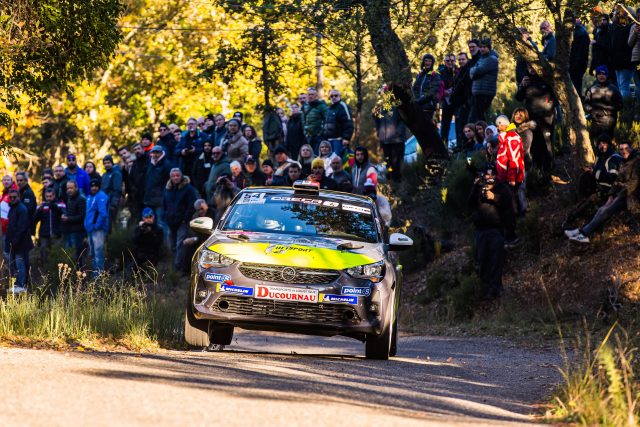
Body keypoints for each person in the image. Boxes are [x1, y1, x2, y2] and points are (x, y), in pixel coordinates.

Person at [565, 141, 639, 243]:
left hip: (632, 196)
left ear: (631, 148)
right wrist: (611, 195)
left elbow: (633, 184)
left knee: (606, 210)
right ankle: (582, 231)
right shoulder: (623, 162)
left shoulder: (637, 162)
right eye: (621, 149)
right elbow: (617, 180)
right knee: (602, 208)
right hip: (622, 193)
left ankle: (585, 234)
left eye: (626, 148)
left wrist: (617, 196)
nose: (624, 151)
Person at [468, 166, 512, 298]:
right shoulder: (479, 187)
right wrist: (476, 187)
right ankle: (486, 288)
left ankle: (496, 288)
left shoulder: (502, 189)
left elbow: (508, 205)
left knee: (496, 260)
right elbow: (470, 203)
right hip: (481, 231)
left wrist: (494, 197)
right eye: (487, 175)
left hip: (496, 230)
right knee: (483, 260)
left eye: (492, 175)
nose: (490, 177)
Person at [563, 133, 623, 228]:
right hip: (597, 187)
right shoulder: (600, 156)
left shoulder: (614, 157)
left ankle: (579, 226)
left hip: (608, 191)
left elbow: (612, 177)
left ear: (609, 144)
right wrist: (592, 171)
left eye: (604, 143)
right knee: (585, 177)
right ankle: (570, 220)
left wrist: (594, 172)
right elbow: (598, 170)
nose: (601, 146)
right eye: (599, 143)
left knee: (588, 204)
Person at [515, 66, 556, 172]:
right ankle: (536, 169)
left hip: (546, 118)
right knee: (533, 143)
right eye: (529, 67)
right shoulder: (526, 80)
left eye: (534, 67)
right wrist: (522, 86)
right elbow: (519, 97)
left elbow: (555, 97)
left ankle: (548, 169)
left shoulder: (546, 79)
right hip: (531, 118)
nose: (532, 69)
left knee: (546, 143)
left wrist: (548, 107)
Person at [495, 115, 524, 244]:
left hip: (510, 179)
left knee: (510, 208)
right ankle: (509, 235)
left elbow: (514, 160)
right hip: (504, 179)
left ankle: (513, 236)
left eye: (499, 124)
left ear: (505, 124)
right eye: (496, 124)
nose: (497, 127)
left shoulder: (511, 137)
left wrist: (512, 178)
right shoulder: (504, 139)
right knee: (507, 207)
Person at [163, 168, 197, 273]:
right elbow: (164, 203)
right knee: (171, 245)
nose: (175, 177)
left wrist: (185, 219)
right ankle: (174, 266)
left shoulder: (188, 188)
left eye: (177, 175)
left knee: (180, 245)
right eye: (173, 176)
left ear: (181, 176)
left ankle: (178, 269)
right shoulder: (167, 189)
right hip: (170, 221)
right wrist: (166, 216)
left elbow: (191, 205)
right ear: (170, 177)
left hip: (182, 222)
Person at [4, 188, 33, 293]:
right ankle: (17, 285)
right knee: (14, 265)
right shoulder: (12, 208)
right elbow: (10, 227)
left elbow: (22, 227)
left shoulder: (22, 209)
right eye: (10, 197)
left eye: (14, 197)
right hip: (13, 242)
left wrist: (14, 242)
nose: (12, 199)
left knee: (21, 264)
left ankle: (22, 286)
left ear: (19, 197)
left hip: (21, 243)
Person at [584, 65, 623, 140]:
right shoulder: (592, 89)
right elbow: (585, 104)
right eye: (599, 74)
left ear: (607, 75)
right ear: (596, 76)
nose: (601, 76)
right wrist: (592, 111)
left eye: (603, 74)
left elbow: (620, 104)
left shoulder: (613, 89)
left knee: (607, 143)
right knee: (596, 144)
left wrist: (608, 110)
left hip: (609, 122)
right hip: (595, 122)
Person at [144, 145, 172, 242]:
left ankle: (167, 247)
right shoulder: (150, 164)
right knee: (151, 223)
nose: (155, 154)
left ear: (161, 153)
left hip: (161, 199)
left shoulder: (167, 164)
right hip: (150, 199)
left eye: (157, 152)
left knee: (162, 223)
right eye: (154, 152)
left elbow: (169, 182)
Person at [373, 104, 406, 182]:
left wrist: (397, 132)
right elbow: (376, 119)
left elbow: (404, 119)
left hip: (397, 140)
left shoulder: (397, 104)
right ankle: (390, 183)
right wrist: (378, 131)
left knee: (397, 164)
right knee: (388, 164)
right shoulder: (380, 105)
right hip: (385, 140)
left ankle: (397, 185)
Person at [469, 39, 499, 122]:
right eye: (481, 47)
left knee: (475, 119)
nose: (482, 49)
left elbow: (477, 71)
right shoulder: (481, 58)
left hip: (485, 92)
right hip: (478, 91)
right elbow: (471, 73)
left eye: (484, 47)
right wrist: (473, 71)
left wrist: (473, 71)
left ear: (489, 48)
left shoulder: (492, 59)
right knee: (479, 118)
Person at [84, 179, 109, 275]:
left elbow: (103, 214)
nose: (94, 188)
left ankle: (98, 277)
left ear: (99, 187)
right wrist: (87, 225)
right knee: (92, 253)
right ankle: (95, 273)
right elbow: (88, 213)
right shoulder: (89, 197)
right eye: (92, 186)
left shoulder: (101, 196)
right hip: (90, 229)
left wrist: (96, 226)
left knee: (98, 253)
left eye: (96, 186)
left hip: (98, 229)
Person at [610, 7, 635, 101]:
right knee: (621, 86)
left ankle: (626, 109)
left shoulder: (630, 27)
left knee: (624, 86)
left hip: (626, 62)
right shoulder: (615, 28)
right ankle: (624, 109)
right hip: (618, 62)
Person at [34, 188, 63, 264]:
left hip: (56, 234)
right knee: (44, 252)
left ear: (54, 196)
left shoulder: (60, 204)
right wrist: (39, 210)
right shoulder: (42, 205)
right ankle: (45, 271)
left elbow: (62, 212)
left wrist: (52, 206)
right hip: (44, 234)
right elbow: (35, 219)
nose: (49, 198)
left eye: (50, 196)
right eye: (47, 196)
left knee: (56, 253)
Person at [61, 181, 86, 268]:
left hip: (77, 231)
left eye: (71, 188)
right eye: (68, 188)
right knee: (69, 255)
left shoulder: (81, 199)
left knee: (77, 256)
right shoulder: (69, 198)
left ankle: (81, 278)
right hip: (69, 231)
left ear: (76, 188)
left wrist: (68, 218)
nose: (69, 190)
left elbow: (81, 216)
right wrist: (65, 216)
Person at [181, 199, 211, 271]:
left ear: (206, 206)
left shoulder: (212, 213)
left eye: (202, 209)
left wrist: (195, 239)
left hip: (208, 239)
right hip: (199, 238)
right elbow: (192, 230)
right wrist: (190, 239)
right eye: (198, 210)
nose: (200, 211)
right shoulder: (196, 216)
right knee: (187, 247)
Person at [412, 53, 443, 122]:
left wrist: (419, 101)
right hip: (418, 107)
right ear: (423, 62)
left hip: (429, 108)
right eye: (426, 61)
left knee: (428, 129)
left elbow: (432, 92)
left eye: (430, 61)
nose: (427, 63)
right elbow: (414, 89)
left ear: (432, 63)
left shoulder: (435, 75)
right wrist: (414, 100)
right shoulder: (419, 75)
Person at [322, 89, 354, 155]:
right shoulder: (329, 108)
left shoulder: (342, 106)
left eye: (336, 95)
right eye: (331, 96)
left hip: (339, 141)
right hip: (329, 141)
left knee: (339, 160)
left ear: (340, 96)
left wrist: (346, 138)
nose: (333, 97)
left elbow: (348, 123)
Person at [439, 53, 458, 146]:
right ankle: (444, 145)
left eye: (452, 60)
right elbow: (437, 86)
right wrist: (443, 92)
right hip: (446, 102)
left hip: (457, 102)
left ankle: (460, 147)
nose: (450, 62)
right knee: (445, 126)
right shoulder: (441, 72)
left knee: (459, 125)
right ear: (444, 62)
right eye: (447, 61)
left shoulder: (458, 71)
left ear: (455, 61)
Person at [303, 87, 328, 154]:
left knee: (317, 155)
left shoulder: (322, 106)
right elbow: (304, 121)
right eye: (309, 94)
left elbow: (327, 120)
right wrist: (305, 132)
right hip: (308, 137)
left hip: (318, 137)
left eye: (312, 94)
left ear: (316, 96)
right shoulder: (305, 107)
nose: (310, 96)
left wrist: (321, 133)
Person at [100, 155, 123, 228]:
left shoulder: (116, 173)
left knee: (112, 223)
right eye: (105, 163)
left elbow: (117, 189)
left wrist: (114, 203)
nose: (106, 164)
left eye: (108, 162)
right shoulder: (104, 174)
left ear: (112, 163)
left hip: (111, 202)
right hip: (104, 202)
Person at [569, 18, 591, 96]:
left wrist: (574, 64)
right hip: (580, 63)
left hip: (576, 64)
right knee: (577, 84)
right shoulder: (582, 32)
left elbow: (578, 52)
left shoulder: (578, 33)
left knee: (575, 85)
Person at [127, 143, 148, 220]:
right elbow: (131, 179)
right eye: (135, 150)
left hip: (148, 196)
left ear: (142, 149)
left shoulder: (149, 161)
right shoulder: (135, 164)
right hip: (138, 197)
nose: (137, 151)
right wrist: (134, 190)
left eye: (138, 149)